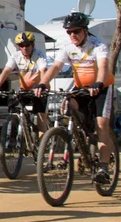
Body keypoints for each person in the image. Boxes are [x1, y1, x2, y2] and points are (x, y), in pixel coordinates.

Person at [39, 11, 116, 184]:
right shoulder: (67, 47)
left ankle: (103, 168)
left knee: (102, 125)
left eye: (76, 31)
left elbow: (103, 66)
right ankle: (81, 138)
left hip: (101, 88)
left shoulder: (98, 45)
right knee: (66, 107)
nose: (72, 35)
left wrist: (98, 82)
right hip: (81, 88)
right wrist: (42, 83)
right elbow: (56, 67)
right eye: (69, 32)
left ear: (85, 31)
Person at [0, 30, 51, 134]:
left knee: (40, 120)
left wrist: (42, 85)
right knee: (14, 107)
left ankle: (43, 147)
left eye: (27, 45)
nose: (24, 48)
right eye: (21, 45)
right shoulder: (16, 56)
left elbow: (43, 71)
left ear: (32, 44)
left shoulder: (39, 55)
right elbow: (6, 71)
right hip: (25, 90)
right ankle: (21, 131)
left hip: (39, 91)